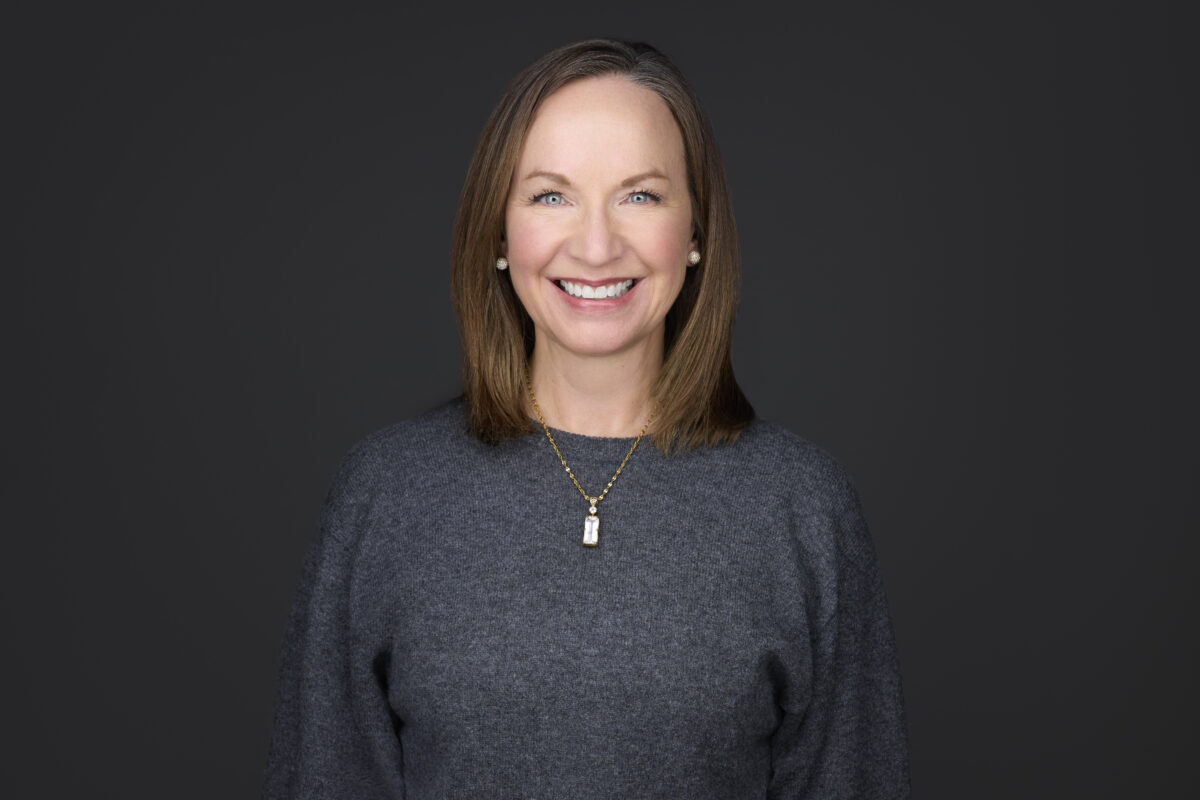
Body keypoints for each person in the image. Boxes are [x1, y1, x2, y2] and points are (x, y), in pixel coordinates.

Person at [264, 39, 910, 799]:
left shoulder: (805, 510)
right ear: (499, 235)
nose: (597, 245)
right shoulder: (386, 495)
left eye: (640, 195)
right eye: (550, 195)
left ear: (697, 232)